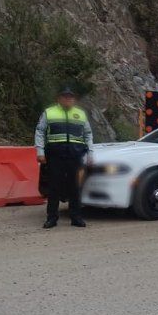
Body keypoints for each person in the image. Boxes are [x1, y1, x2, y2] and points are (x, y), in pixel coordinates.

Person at [35, 87, 93, 228]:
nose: (68, 99)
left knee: (75, 187)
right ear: (59, 98)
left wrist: (90, 153)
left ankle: (76, 217)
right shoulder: (49, 113)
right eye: (65, 97)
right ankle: (52, 218)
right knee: (54, 187)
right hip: (55, 155)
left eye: (70, 97)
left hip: (75, 155)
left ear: (74, 99)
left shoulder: (80, 114)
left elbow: (88, 134)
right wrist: (40, 152)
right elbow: (40, 132)